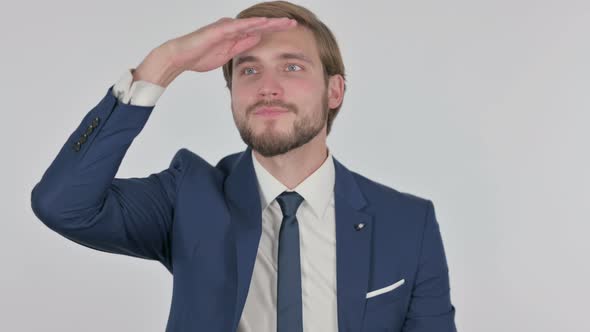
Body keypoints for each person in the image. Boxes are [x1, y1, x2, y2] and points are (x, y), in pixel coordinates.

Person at [30, 1, 457, 331]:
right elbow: (63, 204)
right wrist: (165, 63)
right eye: (249, 70)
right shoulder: (189, 196)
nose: (267, 88)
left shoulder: (408, 221)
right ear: (231, 92)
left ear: (334, 90)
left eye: (292, 67)